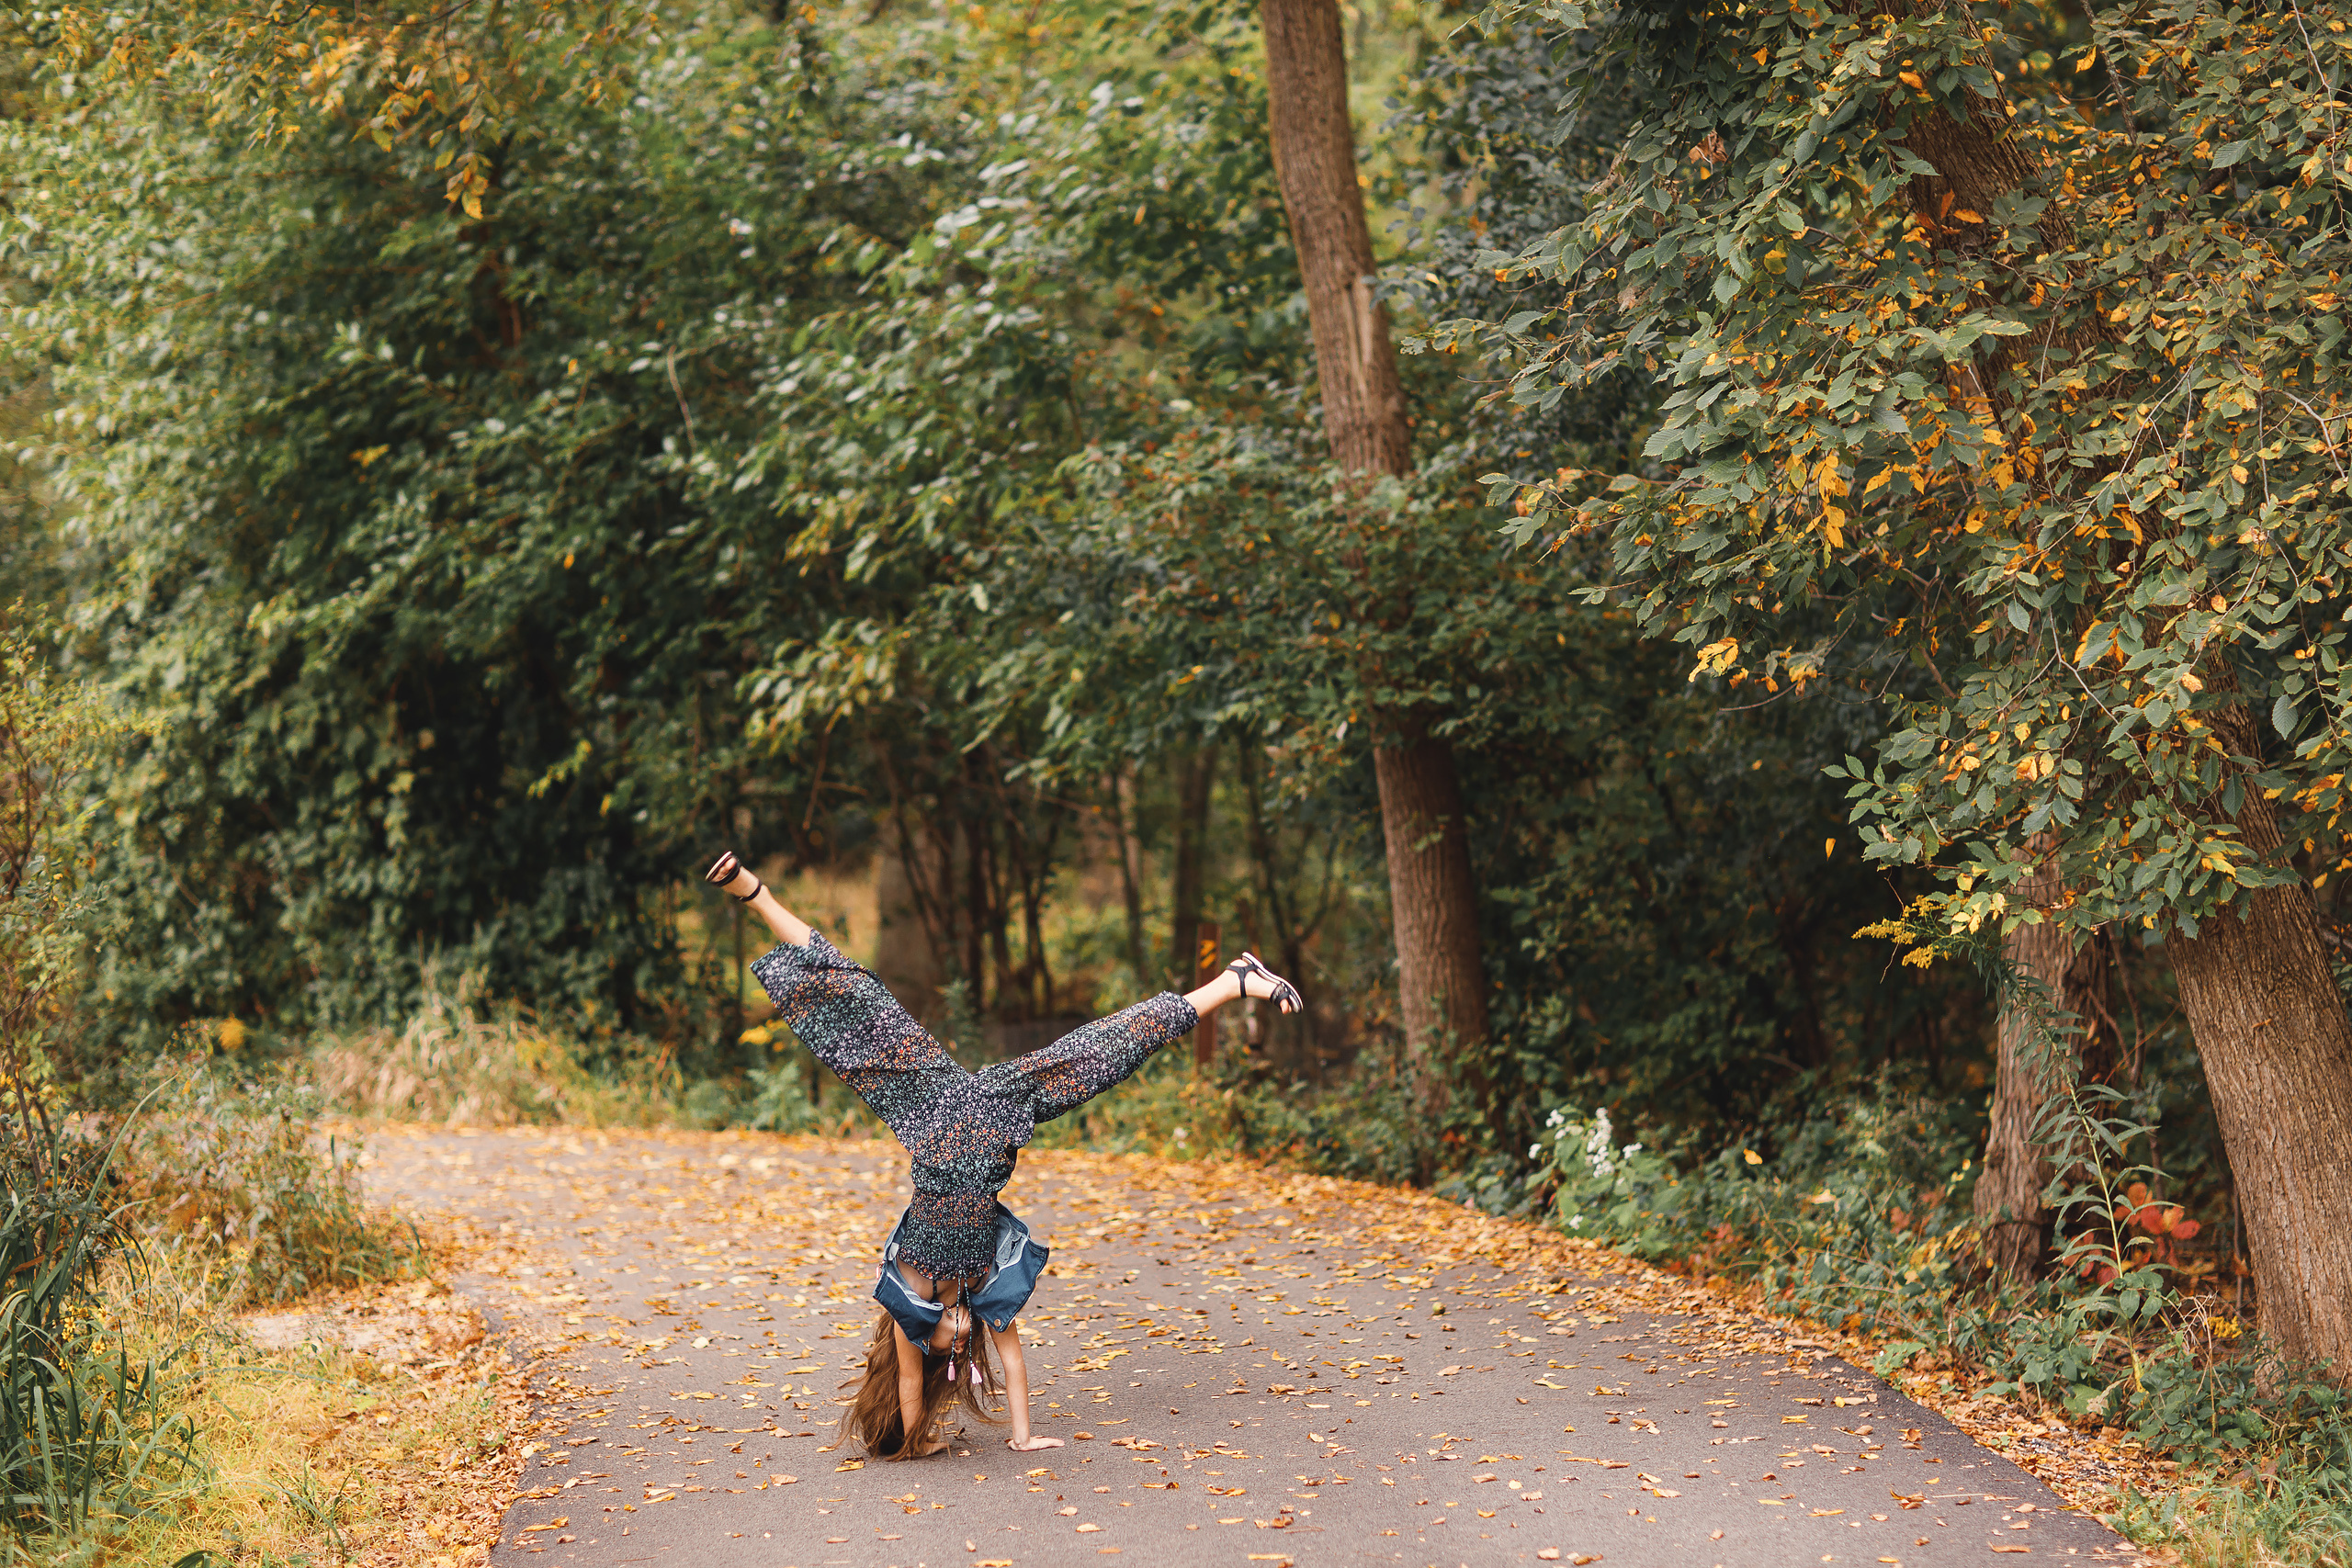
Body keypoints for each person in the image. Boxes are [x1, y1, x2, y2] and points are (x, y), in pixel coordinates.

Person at [703, 850, 1302, 1460]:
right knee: (1100, 1053)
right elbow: (1013, 1366)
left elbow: (909, 1382)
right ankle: (1232, 982)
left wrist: (913, 1443)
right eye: (960, 1342)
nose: (961, 1337)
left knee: (855, 993)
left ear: (928, 1340)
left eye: (949, 1341)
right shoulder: (981, 1288)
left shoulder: (908, 1300)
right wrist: (1022, 1437)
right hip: (993, 1109)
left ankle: (755, 894)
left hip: (928, 1108)